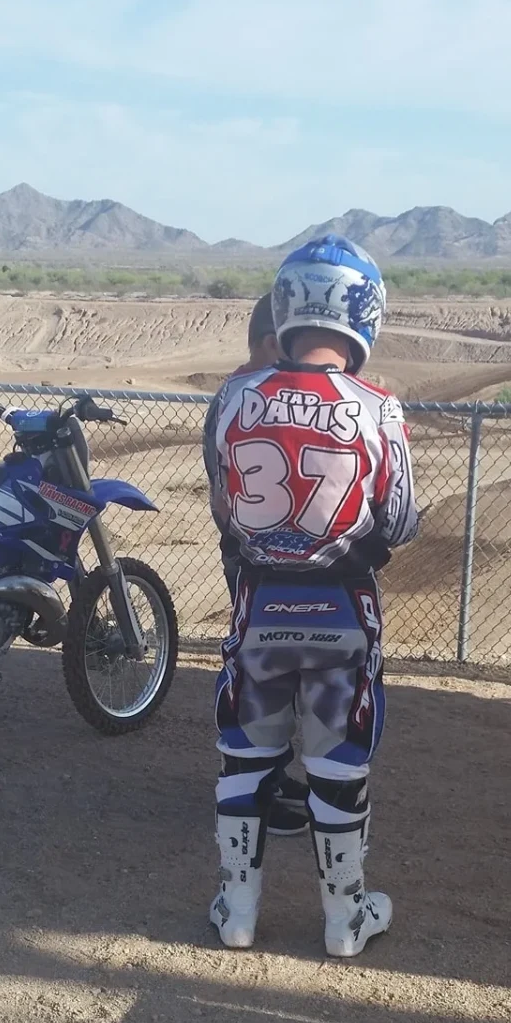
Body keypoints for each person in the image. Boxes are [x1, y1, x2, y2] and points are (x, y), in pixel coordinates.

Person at [203, 234, 418, 957]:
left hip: (258, 603)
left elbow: (222, 504)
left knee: (244, 759)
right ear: (365, 312)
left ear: (289, 305)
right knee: (339, 765)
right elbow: (400, 521)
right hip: (344, 608)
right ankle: (344, 920)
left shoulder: (233, 396)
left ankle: (237, 913)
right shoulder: (380, 409)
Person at [204, 291, 309, 839]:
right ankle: (258, 786)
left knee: (276, 669)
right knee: (265, 672)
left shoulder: (236, 396)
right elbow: (226, 493)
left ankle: (270, 775)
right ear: (272, 342)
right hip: (254, 561)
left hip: (256, 557)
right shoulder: (243, 396)